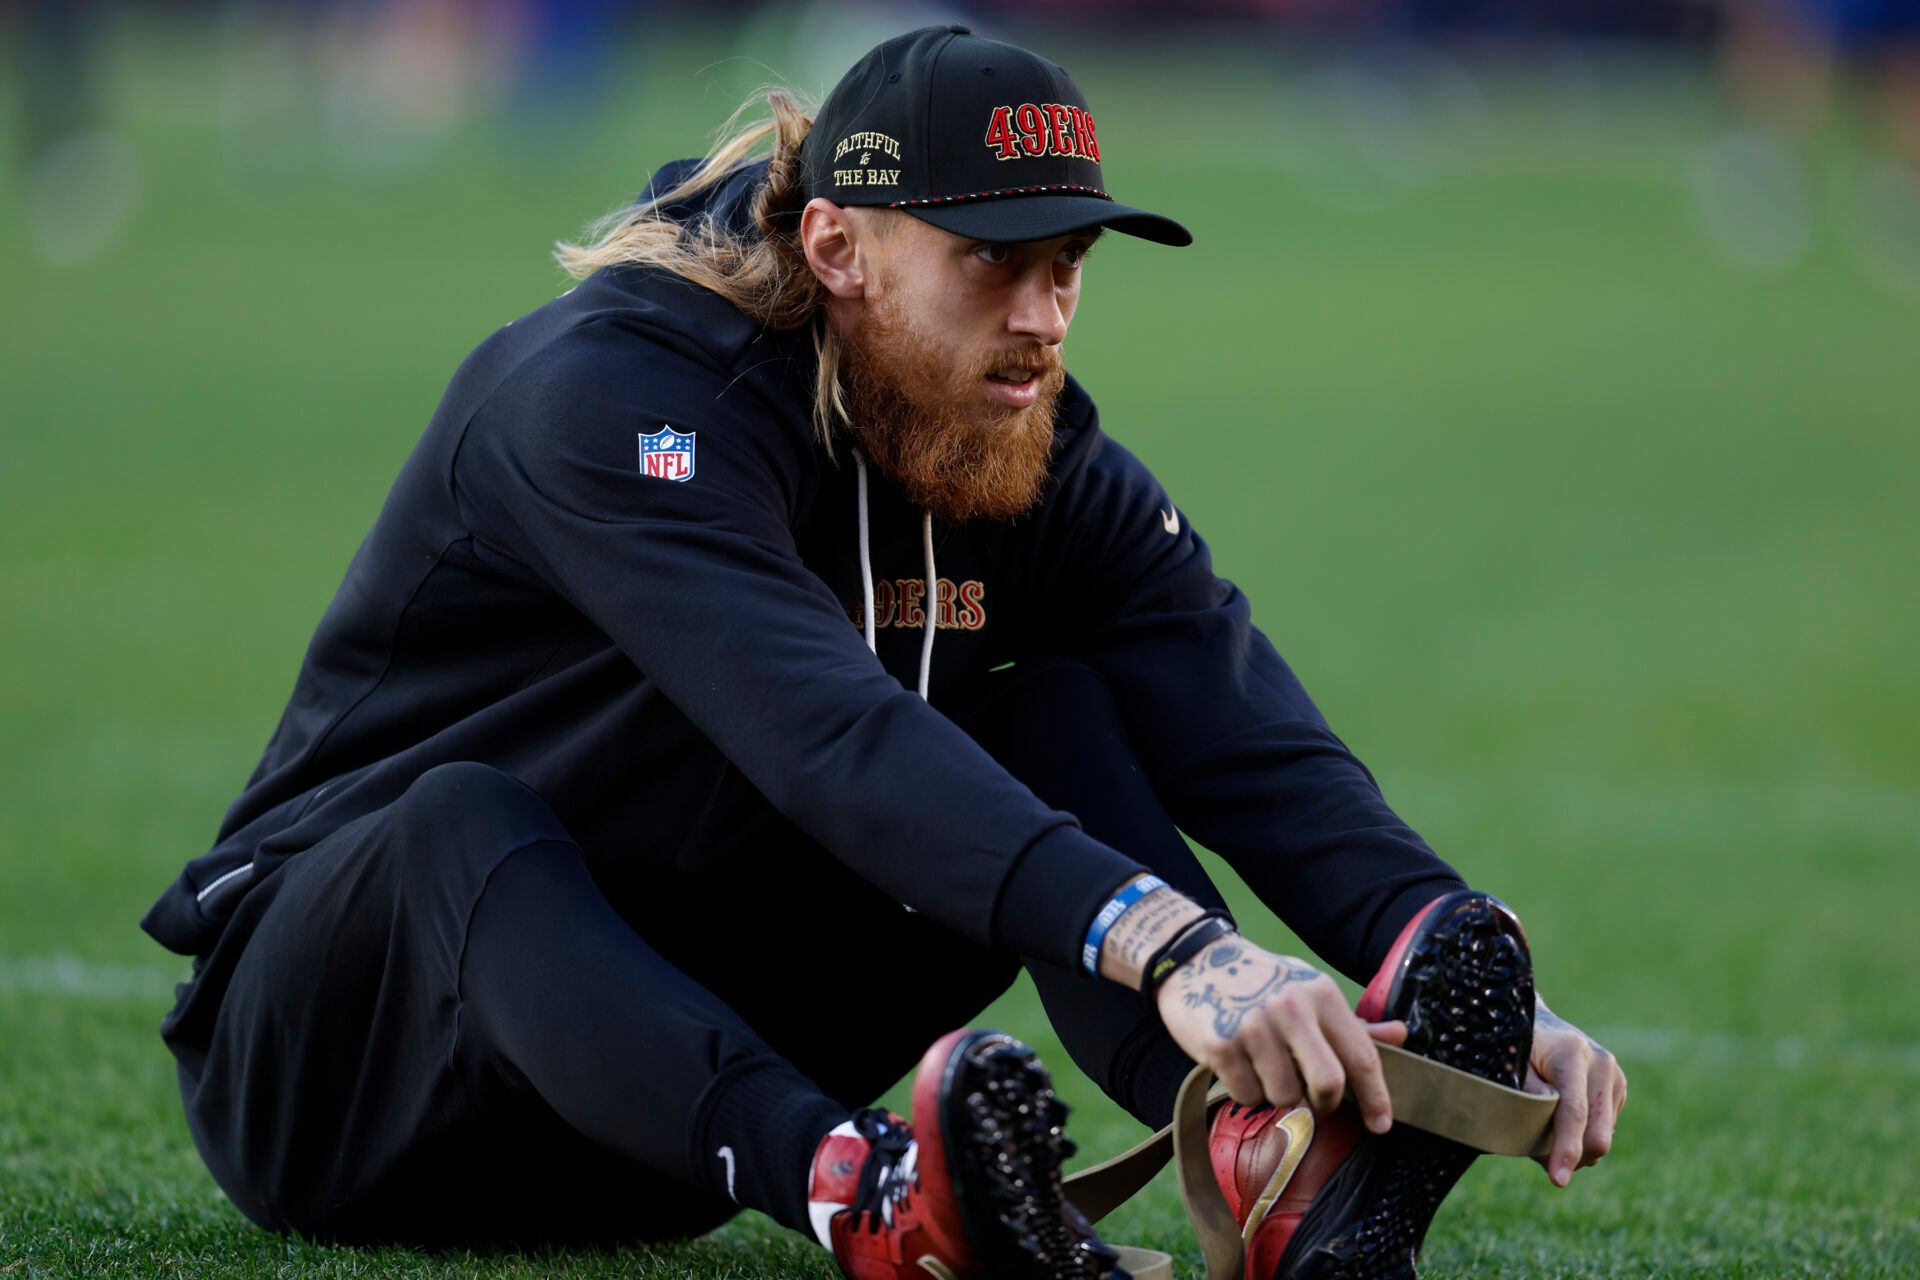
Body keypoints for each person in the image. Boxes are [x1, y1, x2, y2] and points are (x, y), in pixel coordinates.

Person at [142, 25, 1625, 1280]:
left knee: (1046, 713)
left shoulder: (1014, 428)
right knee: (468, 818)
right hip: (345, 1080)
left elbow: (1235, 714)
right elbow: (825, 735)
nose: (1043, 317)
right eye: (992, 261)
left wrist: (1441, 948)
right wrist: (1184, 946)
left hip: (654, 1125)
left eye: (1069, 262)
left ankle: (1261, 1146)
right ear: (836, 246)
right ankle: (871, 1195)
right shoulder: (609, 403)